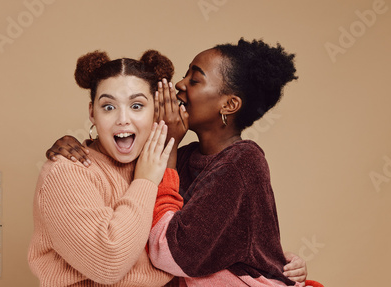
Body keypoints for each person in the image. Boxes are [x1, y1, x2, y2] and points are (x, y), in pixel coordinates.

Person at [46, 39, 318, 286]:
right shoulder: (184, 156)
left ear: (229, 104)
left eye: (195, 79)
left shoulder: (242, 161)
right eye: (185, 73)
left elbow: (173, 253)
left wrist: (276, 262)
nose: (179, 84)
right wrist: (76, 144)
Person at [28, 50, 177, 286]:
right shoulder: (66, 171)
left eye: (137, 105)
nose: (123, 119)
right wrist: (145, 182)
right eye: (109, 107)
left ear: (155, 111)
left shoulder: (160, 164)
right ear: (92, 113)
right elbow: (109, 263)